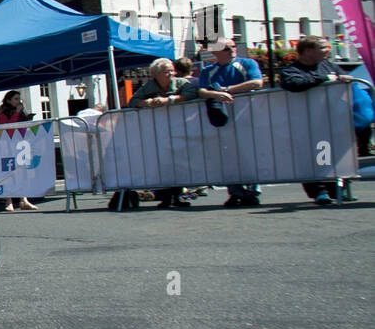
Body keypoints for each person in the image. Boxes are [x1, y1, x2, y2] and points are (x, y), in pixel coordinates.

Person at [127, 58, 233, 208]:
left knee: (182, 161)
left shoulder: (181, 83)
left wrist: (170, 100)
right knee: (165, 163)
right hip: (161, 132)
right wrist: (148, 102)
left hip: (184, 128)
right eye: (166, 71)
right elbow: (133, 101)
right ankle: (167, 196)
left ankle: (179, 194)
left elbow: (191, 93)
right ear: (156, 74)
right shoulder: (149, 86)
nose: (171, 73)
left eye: (172, 70)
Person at [279, 36, 359, 204]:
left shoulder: (329, 65)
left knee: (329, 154)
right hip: (304, 123)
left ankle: (336, 189)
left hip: (330, 121)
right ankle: (318, 191)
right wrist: (324, 79)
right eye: (323, 48)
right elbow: (293, 84)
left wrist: (341, 79)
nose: (327, 51)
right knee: (309, 157)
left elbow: (345, 78)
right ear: (308, 51)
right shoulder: (291, 70)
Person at [198, 39, 265, 206]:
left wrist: (226, 91)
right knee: (227, 154)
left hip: (246, 116)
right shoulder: (208, 70)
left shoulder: (247, 63)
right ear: (215, 52)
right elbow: (202, 90)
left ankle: (252, 190)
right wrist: (215, 95)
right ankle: (235, 191)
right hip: (223, 119)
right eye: (226, 48)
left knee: (249, 152)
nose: (231, 50)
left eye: (233, 46)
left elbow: (257, 82)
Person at [0, 92, 37, 211]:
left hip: (21, 143)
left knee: (22, 171)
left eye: (19, 98)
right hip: (7, 145)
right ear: (8, 100)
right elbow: (7, 127)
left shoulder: (21, 111)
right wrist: (17, 113)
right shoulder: (2, 113)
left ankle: (24, 200)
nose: (19, 101)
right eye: (16, 99)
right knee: (8, 172)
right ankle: (9, 200)